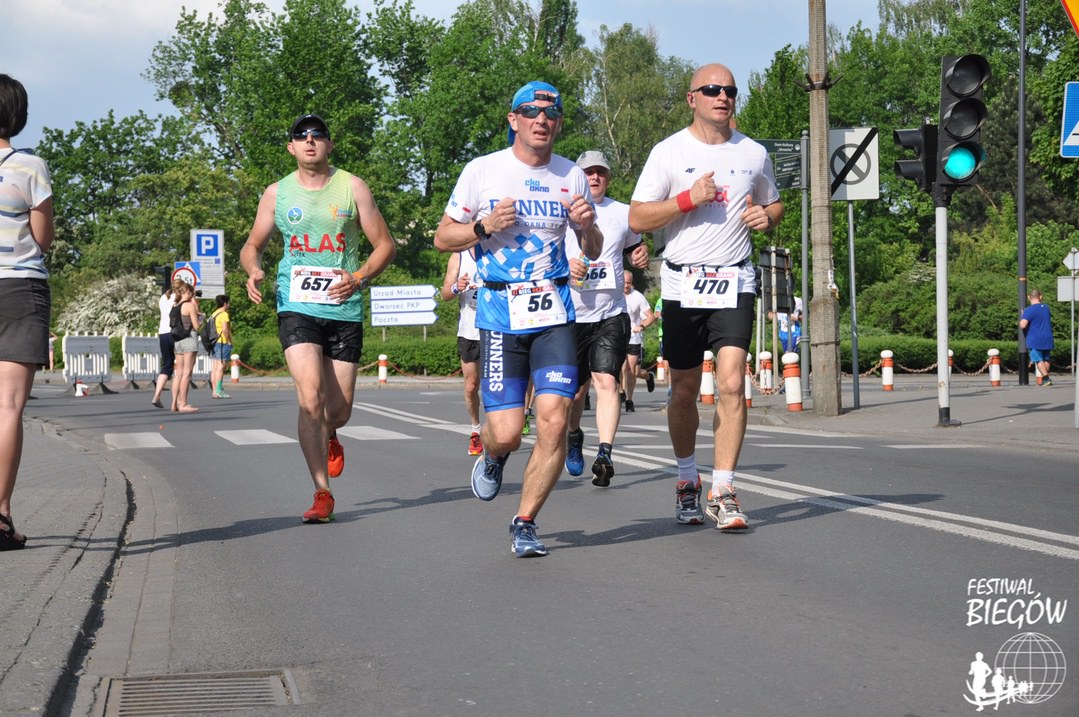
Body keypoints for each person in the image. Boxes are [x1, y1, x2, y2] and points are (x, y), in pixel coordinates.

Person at [433, 81, 601, 557]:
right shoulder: (483, 171)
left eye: (550, 113)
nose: (540, 119)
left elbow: (591, 249)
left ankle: (525, 521)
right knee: (507, 432)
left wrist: (587, 227)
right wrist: (483, 226)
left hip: (554, 312)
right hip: (500, 312)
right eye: (530, 111)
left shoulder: (572, 176)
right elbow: (443, 238)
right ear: (514, 120)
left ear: (559, 123)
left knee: (553, 421)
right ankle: (493, 454)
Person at [629, 63, 783, 531]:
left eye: (730, 90)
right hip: (683, 284)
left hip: (735, 280)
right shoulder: (668, 152)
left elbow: (772, 202)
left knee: (732, 383)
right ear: (691, 98)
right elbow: (637, 218)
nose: (723, 97)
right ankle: (686, 479)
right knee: (684, 389)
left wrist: (768, 217)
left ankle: (724, 489)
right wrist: (686, 200)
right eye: (712, 89)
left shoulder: (753, 153)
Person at [241, 113, 396, 523]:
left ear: (329, 144)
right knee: (310, 399)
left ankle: (331, 433)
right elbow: (252, 244)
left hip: (343, 306)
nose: (309, 140)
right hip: (297, 305)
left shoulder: (353, 187)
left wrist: (359, 277)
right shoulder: (277, 193)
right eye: (301, 135)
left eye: (318, 135)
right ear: (291, 147)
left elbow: (385, 245)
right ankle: (322, 492)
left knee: (338, 410)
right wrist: (253, 269)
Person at [564, 150, 649, 486]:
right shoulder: (562, 212)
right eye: (588, 173)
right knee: (575, 392)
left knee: (607, 382)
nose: (594, 177)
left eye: (600, 172)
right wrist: (566, 266)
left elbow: (634, 248)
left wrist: (639, 255)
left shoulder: (624, 213)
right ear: (578, 178)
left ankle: (605, 453)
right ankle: (574, 435)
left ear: (608, 178)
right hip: (571, 315)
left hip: (610, 313)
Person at [0, 74, 55, 550]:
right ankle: (0, 518)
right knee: (8, 406)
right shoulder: (29, 166)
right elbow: (43, 238)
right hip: (20, 287)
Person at [441, 251, 484, 455]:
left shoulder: (499, 250)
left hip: (496, 328)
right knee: (471, 385)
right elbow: (445, 294)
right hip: (469, 331)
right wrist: (455, 287)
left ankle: (497, 431)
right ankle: (476, 430)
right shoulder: (459, 256)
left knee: (495, 387)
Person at [620, 270, 656, 413]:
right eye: (624, 282)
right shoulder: (614, 294)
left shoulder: (638, 296)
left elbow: (651, 316)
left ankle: (629, 399)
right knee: (619, 366)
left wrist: (641, 326)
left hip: (633, 337)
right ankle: (621, 392)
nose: (626, 285)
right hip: (617, 336)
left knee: (631, 369)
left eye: (628, 283)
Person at [151, 278, 185, 408]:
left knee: (166, 366)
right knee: (180, 368)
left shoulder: (163, 298)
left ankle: (157, 395)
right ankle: (177, 400)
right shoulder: (180, 299)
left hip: (163, 333)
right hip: (175, 333)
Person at [171, 282, 202, 413]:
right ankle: (183, 404)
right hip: (189, 340)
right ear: (188, 292)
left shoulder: (175, 306)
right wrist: (201, 319)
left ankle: (174, 402)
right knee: (187, 373)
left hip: (177, 341)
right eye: (192, 293)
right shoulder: (189, 306)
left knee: (178, 373)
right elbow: (196, 326)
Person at [1020, 288, 1054, 386]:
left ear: (1029, 297)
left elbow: (1023, 325)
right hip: (1048, 337)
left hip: (1035, 339)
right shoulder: (1046, 308)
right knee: (1046, 359)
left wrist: (1023, 316)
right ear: (1041, 297)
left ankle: (1046, 379)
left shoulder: (1028, 310)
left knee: (1038, 359)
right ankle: (1045, 379)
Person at [207, 294, 233, 399]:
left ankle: (214, 391)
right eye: (228, 303)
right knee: (221, 367)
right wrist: (229, 341)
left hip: (214, 342)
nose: (229, 305)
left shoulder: (214, 313)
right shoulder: (224, 314)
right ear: (225, 303)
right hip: (222, 342)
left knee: (215, 368)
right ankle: (219, 390)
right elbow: (225, 330)